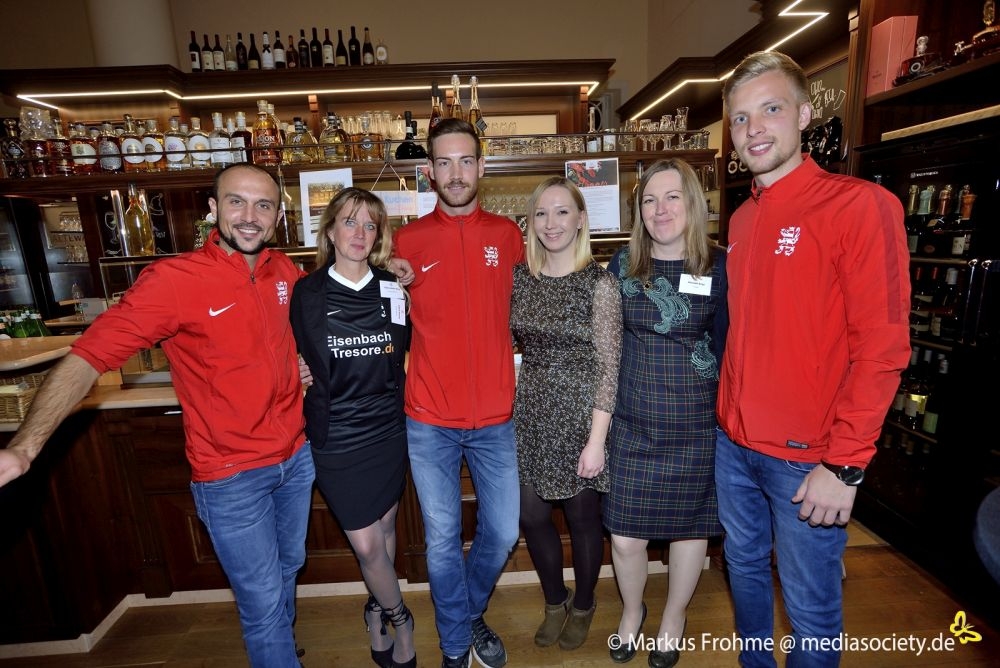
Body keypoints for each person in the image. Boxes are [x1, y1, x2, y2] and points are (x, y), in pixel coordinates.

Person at [0, 163, 315, 668]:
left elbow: (298, 331)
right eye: (236, 201)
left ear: (278, 216)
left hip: (296, 459)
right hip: (231, 473)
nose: (249, 216)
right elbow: (88, 356)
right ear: (213, 209)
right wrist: (25, 445)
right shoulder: (174, 280)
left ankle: (279, 648)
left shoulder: (285, 272)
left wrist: (301, 361)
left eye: (263, 205)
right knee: (261, 600)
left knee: (286, 570)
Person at [717, 50, 910, 667]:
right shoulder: (742, 219)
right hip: (734, 446)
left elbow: (882, 349)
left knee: (811, 612)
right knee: (745, 572)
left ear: (804, 115)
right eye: (741, 118)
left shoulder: (860, 207)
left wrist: (845, 464)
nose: (754, 130)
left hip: (807, 460)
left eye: (770, 110)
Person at [391, 117, 524, 668]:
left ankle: (466, 614)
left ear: (481, 166)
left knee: (504, 530)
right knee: (443, 540)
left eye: (466, 161)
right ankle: (454, 649)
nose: (456, 173)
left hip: (496, 417)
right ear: (429, 171)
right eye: (444, 163)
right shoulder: (406, 241)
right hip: (429, 418)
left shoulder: (508, 235)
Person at [604, 158, 728, 668]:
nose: (660, 209)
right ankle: (633, 609)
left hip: (697, 428)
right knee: (624, 537)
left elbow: (731, 347)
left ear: (692, 203)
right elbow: (605, 346)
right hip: (633, 424)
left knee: (690, 531)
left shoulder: (719, 266)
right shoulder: (622, 265)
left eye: (672, 197)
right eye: (650, 200)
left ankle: (674, 617)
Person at [290, 187, 413, 668]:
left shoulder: (392, 287)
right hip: (337, 434)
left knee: (384, 528)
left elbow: (401, 354)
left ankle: (375, 609)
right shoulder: (306, 293)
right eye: (349, 222)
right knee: (365, 542)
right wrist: (295, 367)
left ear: (378, 235)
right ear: (330, 231)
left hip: (387, 428)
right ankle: (401, 617)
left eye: (369, 225)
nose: (359, 233)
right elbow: (282, 348)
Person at [509, 176, 621, 651]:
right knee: (531, 515)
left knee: (582, 519)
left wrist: (597, 441)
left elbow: (610, 366)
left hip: (581, 416)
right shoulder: (520, 278)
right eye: (541, 213)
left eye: (561, 212)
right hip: (532, 411)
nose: (550, 223)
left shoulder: (600, 284)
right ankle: (555, 600)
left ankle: (585, 603)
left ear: (580, 220)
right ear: (530, 222)